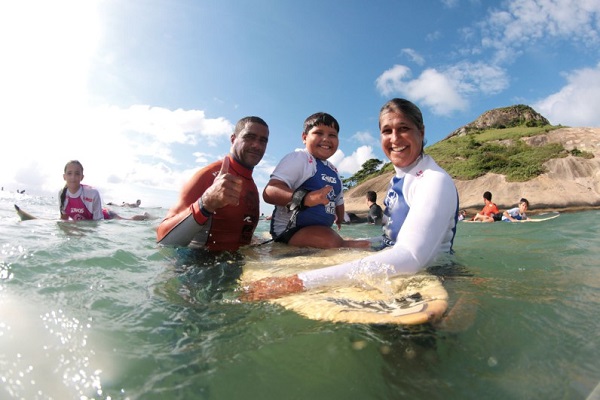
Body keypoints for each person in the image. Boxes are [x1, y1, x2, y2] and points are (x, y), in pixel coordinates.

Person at [243, 98, 459, 300]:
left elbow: (411, 257)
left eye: (404, 128)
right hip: (397, 279)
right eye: (387, 131)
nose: (394, 138)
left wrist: (297, 282)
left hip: (430, 285)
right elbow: (393, 242)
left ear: (421, 132)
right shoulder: (401, 180)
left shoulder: (432, 181)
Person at [156, 116, 269, 252]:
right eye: (249, 137)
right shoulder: (208, 176)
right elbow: (163, 240)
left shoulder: (251, 186)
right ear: (233, 139)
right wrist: (206, 203)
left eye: (263, 141)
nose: (256, 145)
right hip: (198, 266)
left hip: (238, 263)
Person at [263, 112, 370, 249]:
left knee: (329, 237)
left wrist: (340, 218)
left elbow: (339, 200)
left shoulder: (334, 171)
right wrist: (305, 198)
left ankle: (342, 242)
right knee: (330, 240)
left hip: (318, 230)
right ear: (304, 137)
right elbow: (270, 191)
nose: (326, 139)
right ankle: (346, 245)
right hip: (289, 232)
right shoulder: (299, 159)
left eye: (332, 135)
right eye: (319, 133)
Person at [59, 160, 149, 221]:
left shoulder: (92, 193)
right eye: (69, 173)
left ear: (82, 177)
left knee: (128, 221)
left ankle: (146, 216)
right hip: (91, 219)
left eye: (77, 174)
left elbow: (98, 223)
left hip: (107, 215)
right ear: (64, 176)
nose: (73, 177)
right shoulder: (61, 194)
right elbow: (64, 220)